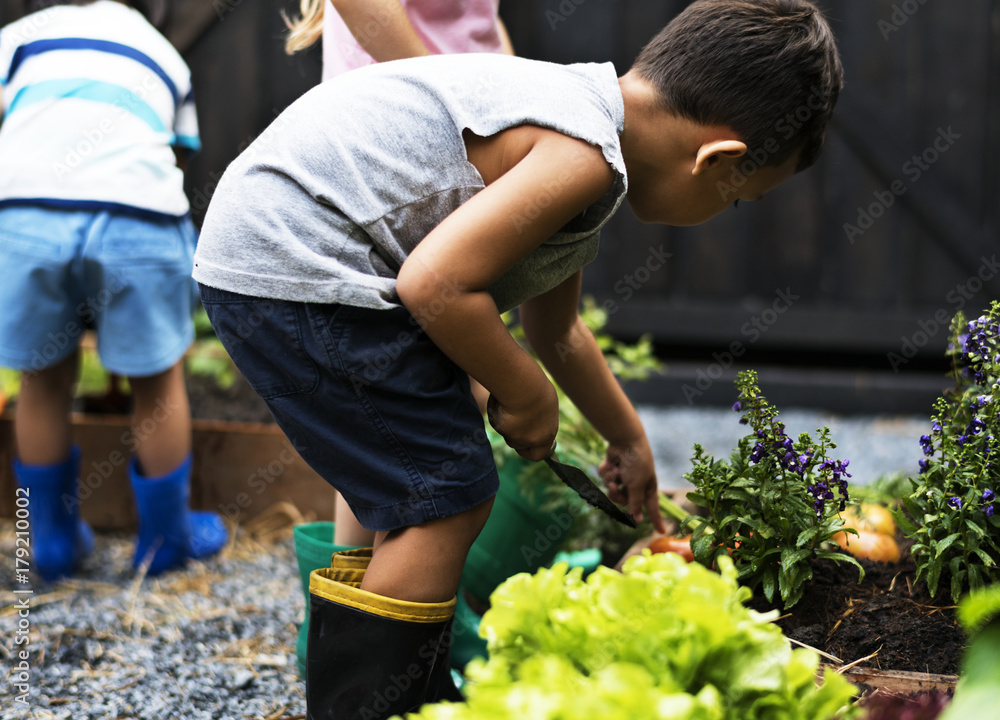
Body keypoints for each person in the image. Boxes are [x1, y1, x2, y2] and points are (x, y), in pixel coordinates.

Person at [193, 0, 843, 716]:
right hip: (298, 261)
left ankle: (385, 682)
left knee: (408, 481)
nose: (729, 210)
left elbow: (556, 329)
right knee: (448, 493)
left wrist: (626, 435)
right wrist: (524, 392)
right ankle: (375, 704)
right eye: (740, 198)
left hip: (276, 252)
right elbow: (435, 282)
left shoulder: (576, 112)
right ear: (714, 158)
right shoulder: (582, 152)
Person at [0, 0, 228, 582]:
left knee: (43, 379)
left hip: (27, 215)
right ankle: (165, 543)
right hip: (138, 217)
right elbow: (175, 149)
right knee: (157, 382)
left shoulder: (22, 35)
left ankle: (47, 544)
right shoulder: (165, 54)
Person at [284, 0, 513, 552]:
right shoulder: (434, 109)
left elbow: (480, 23)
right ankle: (368, 620)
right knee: (391, 396)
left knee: (414, 394)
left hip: (459, 143)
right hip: (406, 141)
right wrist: (450, 112)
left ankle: (373, 615)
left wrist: (513, 96)